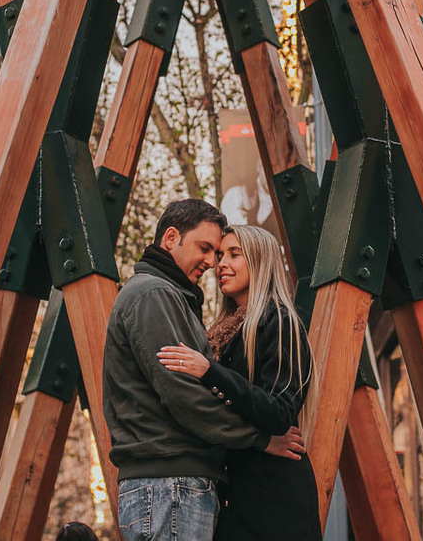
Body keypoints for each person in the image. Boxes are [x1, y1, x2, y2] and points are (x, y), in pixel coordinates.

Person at [103, 200, 305, 541]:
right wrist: (258, 438)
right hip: (170, 485)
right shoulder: (154, 294)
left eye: (225, 254)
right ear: (171, 238)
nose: (213, 262)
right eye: (206, 248)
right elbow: (184, 395)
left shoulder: (175, 299)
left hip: (176, 486)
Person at [157, 225, 321, 541]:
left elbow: (279, 412)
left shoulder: (280, 321)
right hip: (234, 497)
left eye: (234, 254)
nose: (221, 264)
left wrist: (210, 372)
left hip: (274, 502)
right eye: (220, 256)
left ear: (260, 261)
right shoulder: (223, 333)